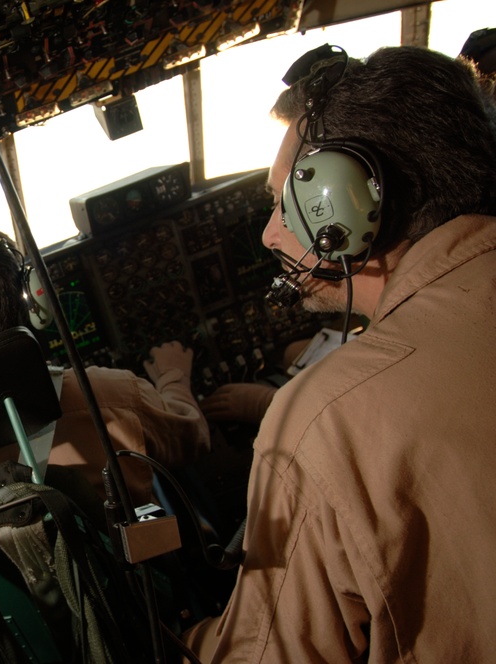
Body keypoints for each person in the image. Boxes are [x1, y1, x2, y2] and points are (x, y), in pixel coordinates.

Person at [184, 44, 496, 661]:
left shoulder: (325, 421)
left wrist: (188, 635)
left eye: (288, 205)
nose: (272, 233)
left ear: (350, 207)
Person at [0, 214, 211, 563]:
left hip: (8, 620)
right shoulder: (110, 398)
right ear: (30, 300)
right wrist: (173, 376)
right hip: (142, 606)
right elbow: (194, 439)